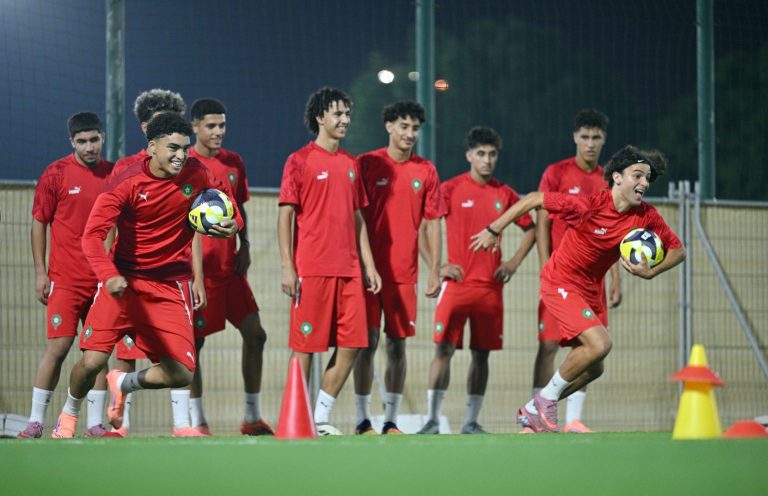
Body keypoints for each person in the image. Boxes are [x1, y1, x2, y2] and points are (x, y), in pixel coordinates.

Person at [50, 112, 242, 438]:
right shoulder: (126, 181)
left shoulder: (198, 173)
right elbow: (91, 237)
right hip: (123, 284)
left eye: (184, 148)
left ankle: (123, 383)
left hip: (168, 287)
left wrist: (233, 224)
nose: (181, 155)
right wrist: (109, 275)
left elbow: (230, 206)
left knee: (181, 373)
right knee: (93, 361)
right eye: (173, 148)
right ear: (152, 147)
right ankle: (67, 418)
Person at [469, 145, 686, 433]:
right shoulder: (589, 205)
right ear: (617, 178)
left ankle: (535, 409)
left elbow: (678, 251)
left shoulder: (646, 215)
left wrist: (651, 271)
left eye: (648, 178)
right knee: (601, 344)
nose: (644, 183)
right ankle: (544, 402)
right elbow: (535, 199)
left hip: (591, 290)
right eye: (638, 175)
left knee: (595, 367)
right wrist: (493, 229)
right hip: (561, 281)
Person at [417, 127, 536, 435]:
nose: (487, 160)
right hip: (456, 288)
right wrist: (438, 265)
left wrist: (512, 262)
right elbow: (422, 228)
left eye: (492, 154)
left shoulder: (504, 193)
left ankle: (471, 421)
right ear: (469, 155)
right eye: (481, 154)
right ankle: (432, 419)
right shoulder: (451, 188)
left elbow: (532, 230)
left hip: (489, 290)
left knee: (481, 356)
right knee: (443, 350)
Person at [277, 87, 381, 436]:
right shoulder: (299, 160)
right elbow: (285, 216)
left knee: (354, 344)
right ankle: (295, 420)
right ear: (320, 117)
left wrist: (369, 265)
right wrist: (287, 266)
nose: (345, 120)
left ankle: (320, 417)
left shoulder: (351, 164)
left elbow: (358, 218)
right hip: (312, 269)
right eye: (337, 114)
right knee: (304, 347)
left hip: (350, 271)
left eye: (347, 114)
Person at [18, 113, 114, 438]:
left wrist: (110, 270)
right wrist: (40, 272)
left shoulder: (114, 174)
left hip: (102, 282)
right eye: (82, 141)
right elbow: (38, 222)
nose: (89, 146)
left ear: (103, 137)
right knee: (58, 349)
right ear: (72, 142)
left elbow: (116, 224)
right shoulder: (55, 174)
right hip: (65, 280)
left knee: (97, 353)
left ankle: (95, 423)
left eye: (94, 139)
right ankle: (34, 422)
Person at [181, 97, 272, 436]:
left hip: (230, 269)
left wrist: (244, 244)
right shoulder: (184, 164)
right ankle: (198, 421)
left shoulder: (234, 162)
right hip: (198, 273)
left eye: (222, 125)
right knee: (194, 346)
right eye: (210, 126)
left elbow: (239, 209)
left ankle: (251, 417)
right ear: (194, 128)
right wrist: (192, 273)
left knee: (256, 335)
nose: (218, 131)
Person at [353, 101, 444, 435]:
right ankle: (362, 420)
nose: (410, 134)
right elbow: (354, 215)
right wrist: (362, 263)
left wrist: (434, 268)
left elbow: (433, 223)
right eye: (403, 126)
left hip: (404, 275)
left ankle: (390, 420)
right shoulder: (367, 163)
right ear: (389, 127)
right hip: (367, 273)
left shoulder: (426, 171)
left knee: (397, 345)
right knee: (366, 343)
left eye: (415, 128)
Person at [533, 109, 622, 433]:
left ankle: (571, 419)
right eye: (584, 136)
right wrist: (545, 262)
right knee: (547, 346)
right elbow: (542, 217)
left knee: (592, 354)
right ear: (574, 138)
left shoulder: (608, 180)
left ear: (604, 140)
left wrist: (615, 278)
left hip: (592, 282)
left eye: (596, 137)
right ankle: (537, 417)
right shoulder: (556, 173)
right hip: (560, 277)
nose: (590, 143)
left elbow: (612, 233)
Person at [109, 88, 188, 437]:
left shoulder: (187, 167)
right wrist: (108, 273)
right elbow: (109, 224)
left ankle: (183, 424)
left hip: (173, 276)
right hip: (131, 276)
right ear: (145, 129)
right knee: (122, 349)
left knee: (180, 354)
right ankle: (118, 424)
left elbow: (198, 226)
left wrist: (196, 275)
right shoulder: (125, 169)